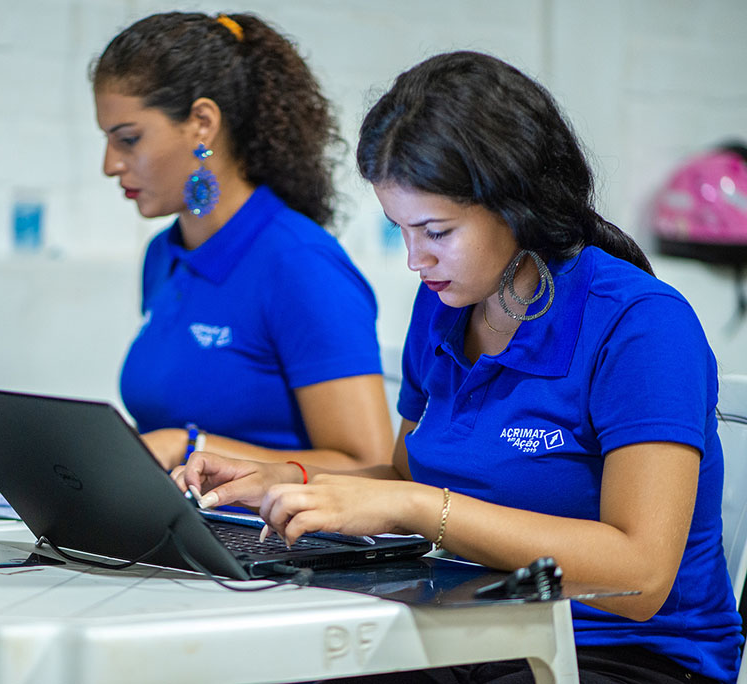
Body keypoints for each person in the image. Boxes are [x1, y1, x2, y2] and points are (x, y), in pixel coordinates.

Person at [175, 51, 743, 683]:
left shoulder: (641, 325)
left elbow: (639, 577)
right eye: (401, 230)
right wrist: (287, 481)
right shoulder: (445, 305)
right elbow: (402, 475)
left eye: (436, 232)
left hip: (622, 655)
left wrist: (420, 508)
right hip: (472, 632)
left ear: (516, 204)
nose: (415, 259)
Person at [91, 12, 393, 472]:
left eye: (128, 139)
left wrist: (191, 448)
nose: (110, 165)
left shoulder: (301, 264)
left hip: (260, 521)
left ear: (202, 123)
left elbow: (369, 467)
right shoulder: (162, 255)